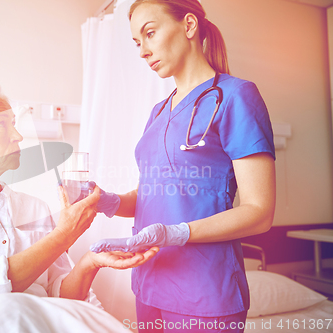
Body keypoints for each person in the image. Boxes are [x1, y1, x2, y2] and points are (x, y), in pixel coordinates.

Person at [0, 83, 158, 333]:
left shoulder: (34, 209)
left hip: (35, 323)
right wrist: (64, 235)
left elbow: (63, 297)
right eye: (2, 125)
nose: (18, 136)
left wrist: (90, 262)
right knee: (9, 311)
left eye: (14, 123)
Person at [89, 1, 276, 332]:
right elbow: (155, 194)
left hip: (204, 291)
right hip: (149, 282)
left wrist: (177, 233)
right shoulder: (158, 112)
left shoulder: (235, 96)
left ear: (189, 26)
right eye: (137, 43)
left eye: (150, 33)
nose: (143, 51)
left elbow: (259, 211)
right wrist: (110, 201)